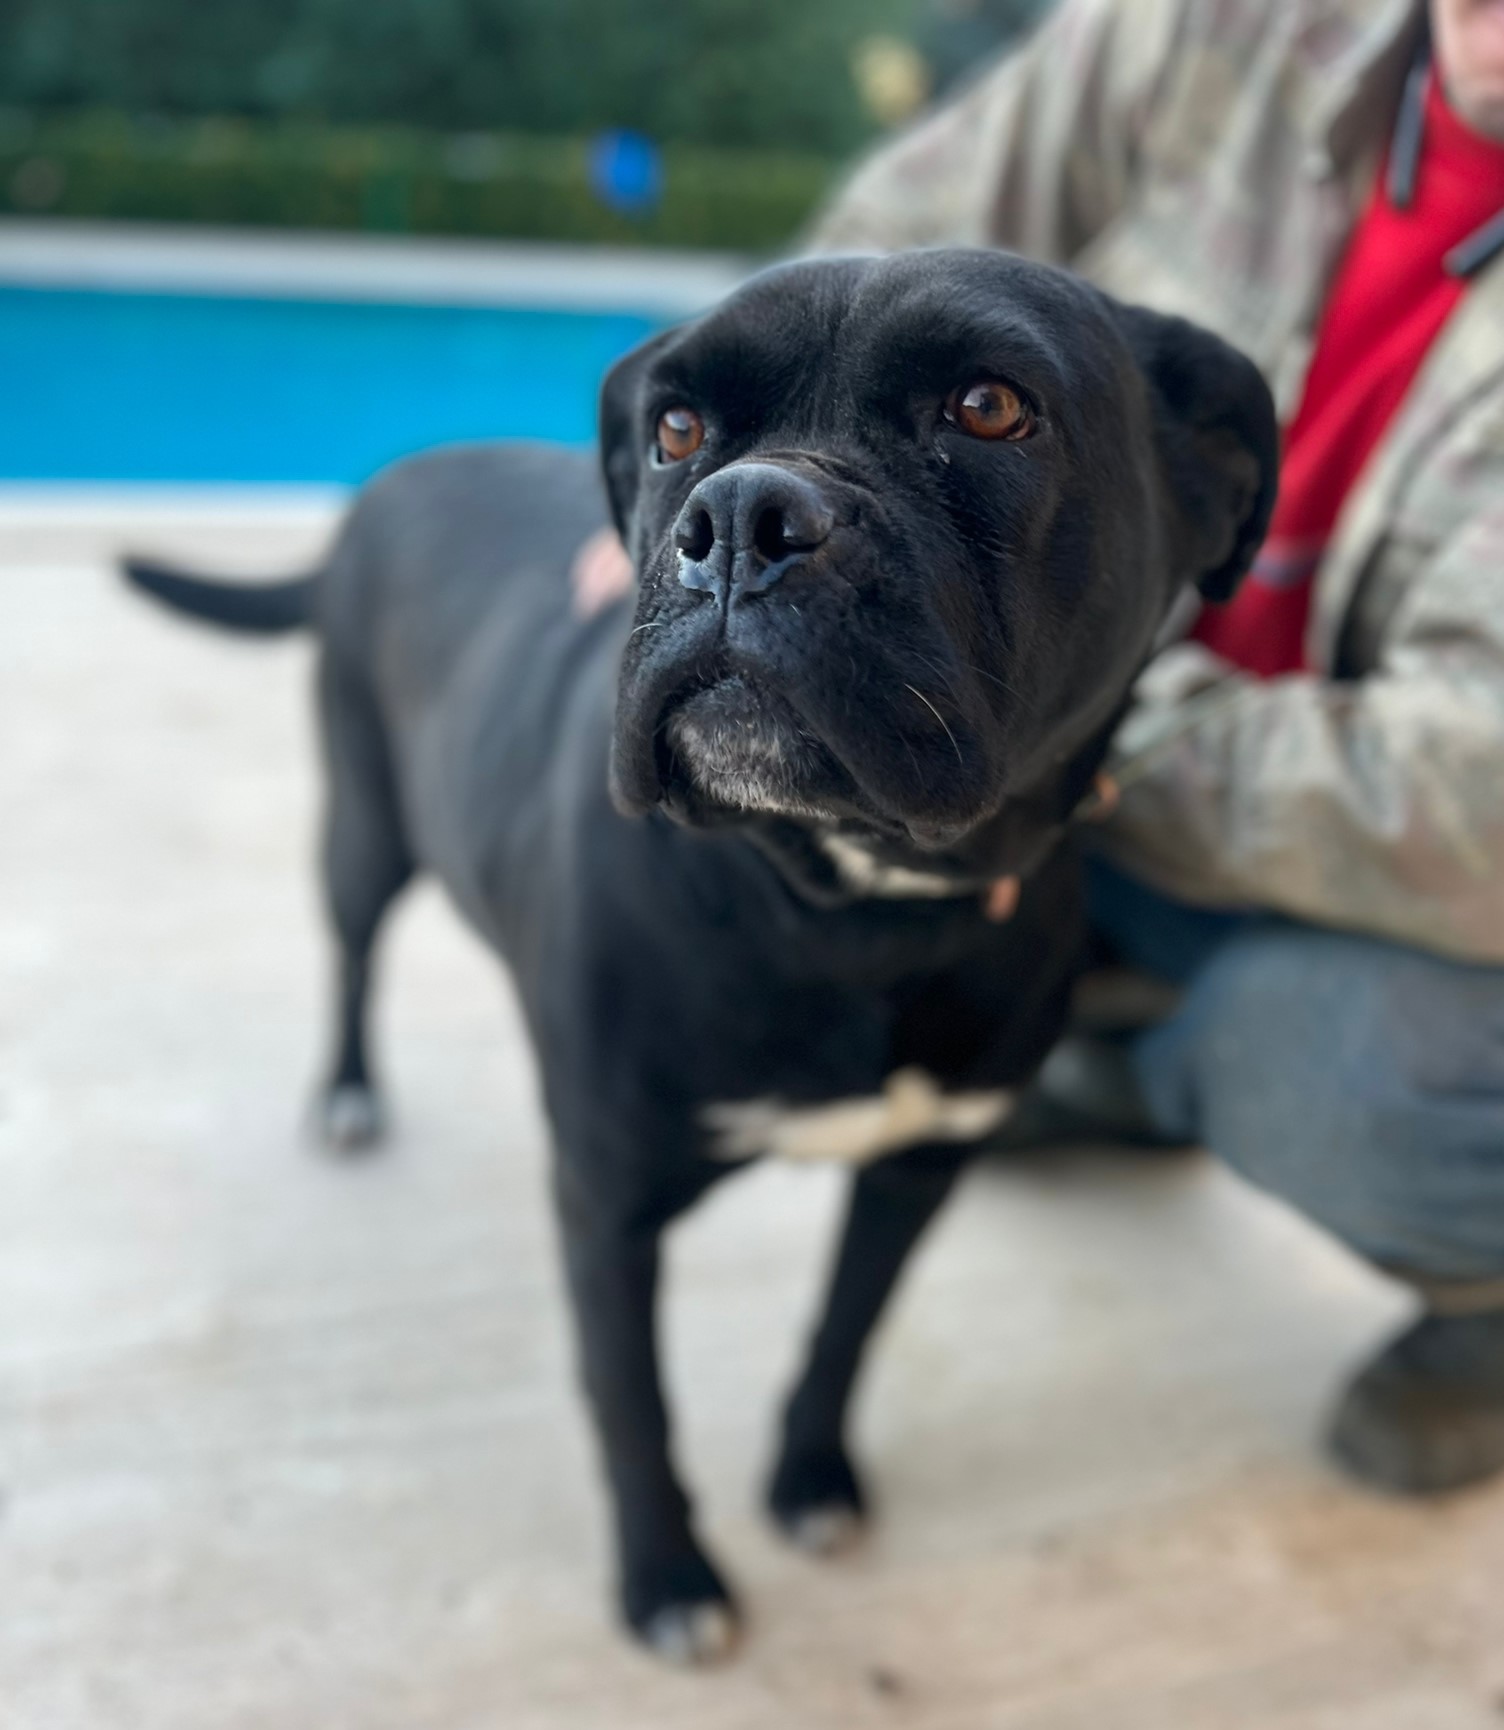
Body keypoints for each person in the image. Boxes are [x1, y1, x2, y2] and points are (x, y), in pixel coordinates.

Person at [576, 0, 1504, 1496]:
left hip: (1374, 878)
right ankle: (1085, 1033)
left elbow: (1481, 794)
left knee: (1365, 1085)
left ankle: (1447, 1283)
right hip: (1040, 782)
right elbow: (886, 244)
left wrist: (1072, 736)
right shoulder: (1216, 30)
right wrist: (700, 494)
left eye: (986, 408)